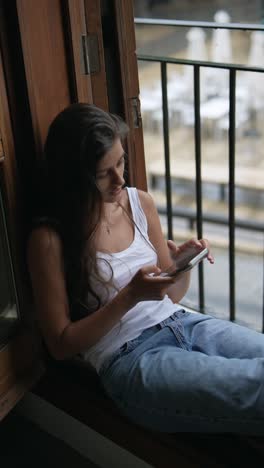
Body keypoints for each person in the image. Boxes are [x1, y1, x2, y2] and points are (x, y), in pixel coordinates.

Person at [27, 103, 264, 435]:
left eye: (121, 161)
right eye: (102, 172)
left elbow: (170, 295)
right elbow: (61, 345)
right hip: (132, 360)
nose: (119, 178)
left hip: (183, 322)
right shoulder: (50, 239)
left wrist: (182, 266)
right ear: (74, 177)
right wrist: (129, 297)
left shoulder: (140, 203)